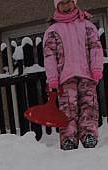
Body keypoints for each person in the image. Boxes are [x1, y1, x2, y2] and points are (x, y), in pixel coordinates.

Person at [43, 0, 103, 150]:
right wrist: (52, 78)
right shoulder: (53, 30)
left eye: (69, 2)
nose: (66, 6)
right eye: (62, 3)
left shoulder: (86, 25)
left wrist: (96, 68)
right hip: (65, 77)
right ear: (57, 6)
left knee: (89, 105)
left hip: (87, 75)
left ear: (74, 3)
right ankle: (68, 138)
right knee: (68, 108)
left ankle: (89, 134)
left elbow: (95, 47)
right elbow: (49, 56)